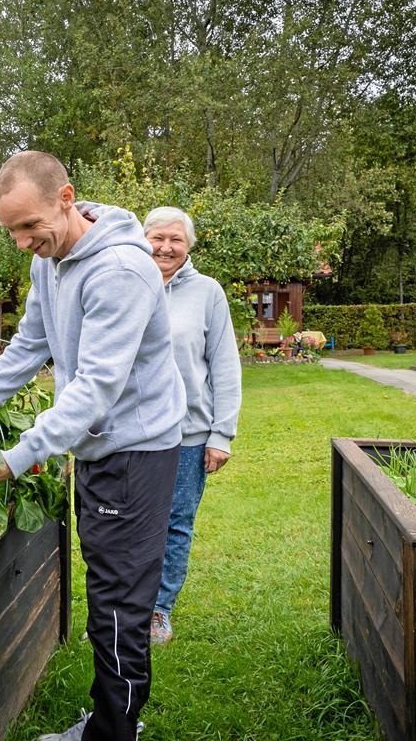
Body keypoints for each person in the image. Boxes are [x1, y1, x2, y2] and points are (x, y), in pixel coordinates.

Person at [0, 151, 186, 741]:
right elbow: (29, 344)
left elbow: (96, 388)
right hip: (98, 448)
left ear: (67, 199)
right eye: (10, 230)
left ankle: (115, 733)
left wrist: (14, 458)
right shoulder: (50, 260)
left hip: (135, 451)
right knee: (109, 586)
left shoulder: (120, 270)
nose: (20, 242)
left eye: (28, 227)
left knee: (118, 602)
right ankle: (113, 723)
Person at [144, 206, 242, 646]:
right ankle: (127, 608)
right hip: (136, 433)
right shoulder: (128, 282)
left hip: (189, 434)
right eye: (157, 237)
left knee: (175, 524)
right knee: (132, 525)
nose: (165, 247)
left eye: (175, 240)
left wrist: (221, 434)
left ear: (189, 245)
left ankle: (159, 611)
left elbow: (225, 366)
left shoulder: (208, 292)